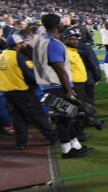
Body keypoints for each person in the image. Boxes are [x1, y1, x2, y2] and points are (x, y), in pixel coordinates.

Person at [32, 14, 91, 158]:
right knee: (64, 118)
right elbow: (60, 69)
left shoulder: (40, 41)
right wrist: (69, 90)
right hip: (57, 86)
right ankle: (66, 149)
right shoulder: (53, 43)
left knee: (67, 116)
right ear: (58, 25)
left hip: (46, 85)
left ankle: (74, 145)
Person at [0, 33, 57, 150]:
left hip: (7, 93)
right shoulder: (19, 57)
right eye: (22, 43)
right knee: (37, 115)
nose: (24, 44)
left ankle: (21, 142)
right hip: (22, 92)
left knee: (18, 118)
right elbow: (31, 75)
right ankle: (52, 136)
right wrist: (35, 84)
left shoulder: (1, 56)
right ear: (17, 45)